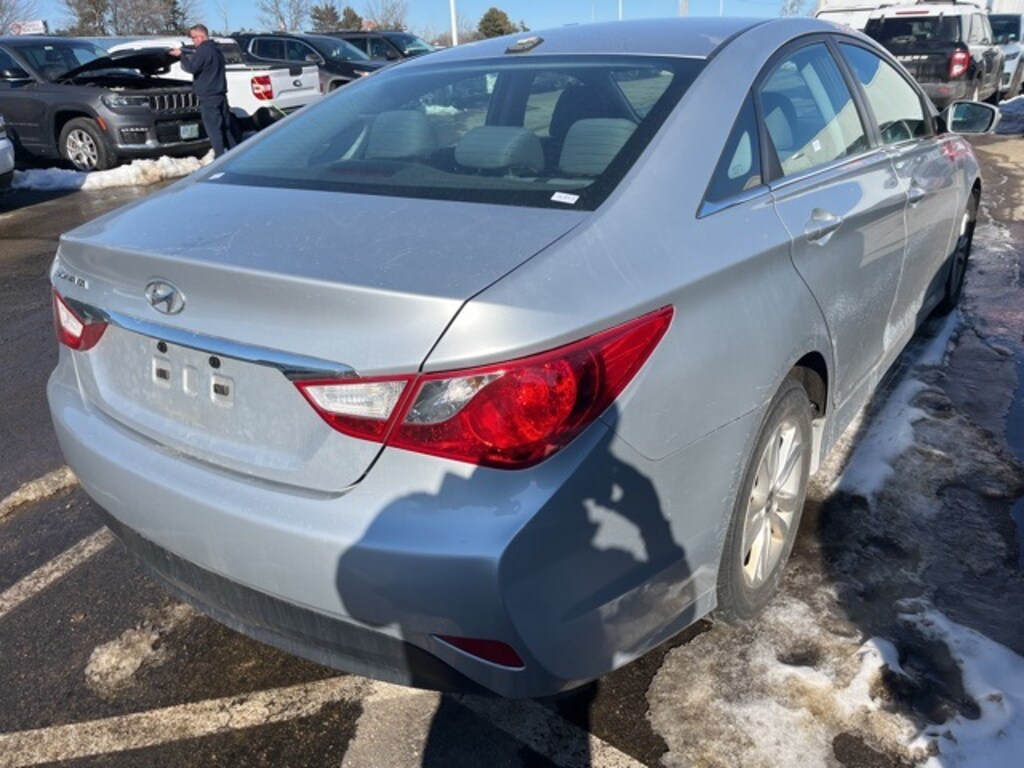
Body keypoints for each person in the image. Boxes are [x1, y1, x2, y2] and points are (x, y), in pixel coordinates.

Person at [170, 25, 237, 158]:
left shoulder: (204, 50)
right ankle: (235, 155)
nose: (193, 41)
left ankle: (219, 158)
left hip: (209, 97)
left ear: (201, 37)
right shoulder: (216, 49)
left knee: (214, 130)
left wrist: (181, 55)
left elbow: (191, 67)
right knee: (226, 127)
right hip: (220, 95)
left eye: (194, 37)